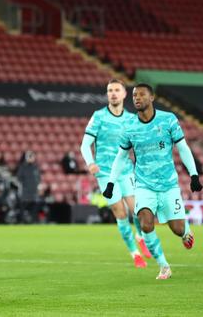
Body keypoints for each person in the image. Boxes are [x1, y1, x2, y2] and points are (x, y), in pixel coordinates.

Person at [103, 83, 203, 280]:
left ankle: (185, 231)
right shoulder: (129, 128)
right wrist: (111, 183)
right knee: (146, 223)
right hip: (143, 185)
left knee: (177, 229)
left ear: (152, 98)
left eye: (141, 95)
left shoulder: (168, 120)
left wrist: (194, 175)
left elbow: (183, 148)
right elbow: (121, 157)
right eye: (134, 95)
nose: (137, 98)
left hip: (168, 186)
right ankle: (164, 266)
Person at [80, 79, 151, 268]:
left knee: (136, 208)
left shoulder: (131, 119)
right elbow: (85, 144)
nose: (113, 93)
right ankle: (135, 253)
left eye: (116, 90)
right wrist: (91, 163)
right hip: (104, 172)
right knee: (120, 212)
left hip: (126, 170)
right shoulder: (98, 116)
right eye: (110, 90)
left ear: (124, 94)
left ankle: (140, 237)